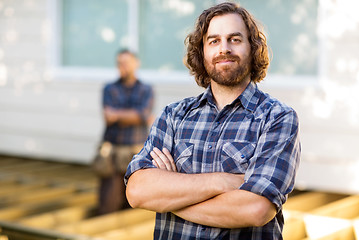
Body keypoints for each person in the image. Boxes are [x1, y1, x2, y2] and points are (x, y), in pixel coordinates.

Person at [125, 2, 300, 239]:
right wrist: (223, 182)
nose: (224, 48)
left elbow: (255, 209)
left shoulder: (277, 118)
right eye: (214, 41)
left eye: (235, 39)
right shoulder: (174, 116)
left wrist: (170, 196)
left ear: (253, 47)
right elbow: (137, 192)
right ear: (202, 51)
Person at [98, 49, 154, 215]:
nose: (122, 66)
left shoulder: (146, 89)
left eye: (126, 62)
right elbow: (109, 117)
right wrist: (136, 115)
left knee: (134, 201)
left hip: (136, 152)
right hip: (112, 153)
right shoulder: (109, 88)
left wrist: (118, 114)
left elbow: (143, 115)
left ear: (136, 64)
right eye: (119, 63)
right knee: (108, 201)